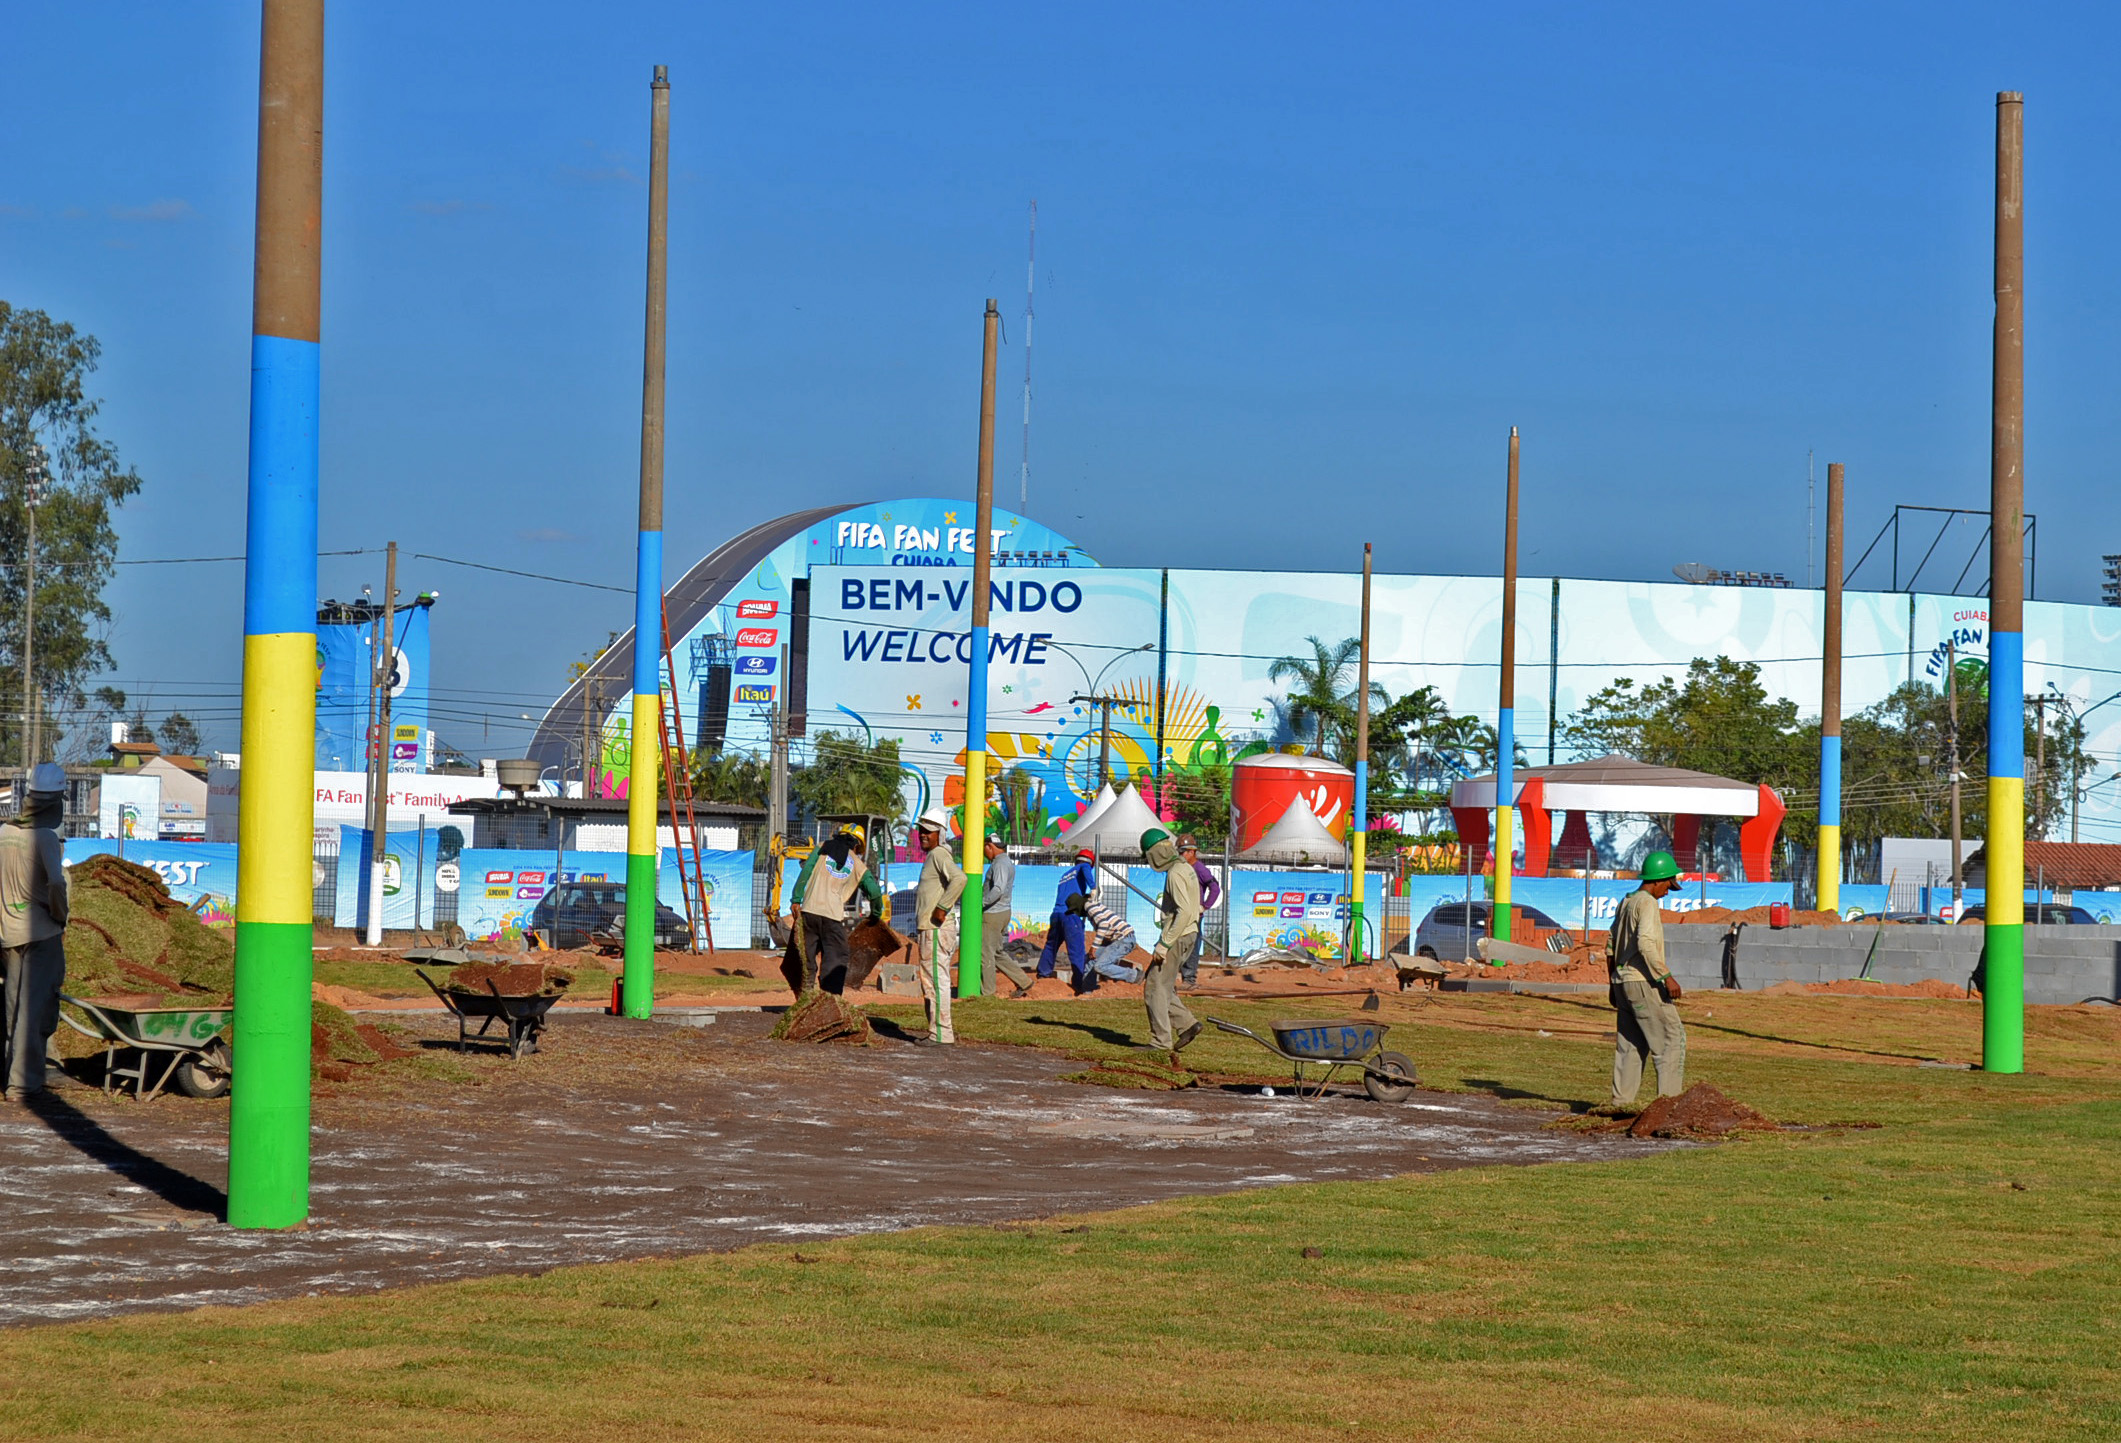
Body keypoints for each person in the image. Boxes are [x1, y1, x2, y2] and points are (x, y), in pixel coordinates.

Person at [2, 763, 71, 1101]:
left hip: (7, 935)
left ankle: (11, 1074)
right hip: (40, 934)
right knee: (34, 1009)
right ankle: (22, 1085)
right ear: (56, 801)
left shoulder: (4, 833)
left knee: (12, 1008)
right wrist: (60, 915)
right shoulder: (44, 837)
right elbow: (56, 883)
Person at [1607, 848, 1687, 1108]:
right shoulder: (1648, 903)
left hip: (1623, 983)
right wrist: (1667, 977)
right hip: (1643, 982)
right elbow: (1645, 944)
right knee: (1671, 1040)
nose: (1668, 891)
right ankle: (1667, 1108)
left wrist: (1612, 984)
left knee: (1631, 1045)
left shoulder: (1627, 901)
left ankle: (1621, 1104)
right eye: (1668, 884)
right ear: (1658, 880)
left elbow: (1610, 945)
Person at [781, 829, 884, 995]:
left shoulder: (822, 848)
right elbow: (875, 892)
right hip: (832, 918)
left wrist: (796, 899)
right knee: (836, 958)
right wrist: (876, 915)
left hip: (808, 912)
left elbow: (806, 871)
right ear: (857, 846)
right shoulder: (857, 864)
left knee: (805, 958)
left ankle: (804, 996)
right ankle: (830, 998)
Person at [1138, 827, 1202, 1052]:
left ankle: (1160, 1042)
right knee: (1163, 986)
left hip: (1177, 936)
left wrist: (1164, 944)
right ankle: (1187, 1024)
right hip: (1189, 933)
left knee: (1154, 988)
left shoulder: (1175, 873)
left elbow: (1183, 912)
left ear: (1155, 853)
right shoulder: (1186, 868)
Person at [911, 807, 964, 1044]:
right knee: (932, 980)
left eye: (928, 831)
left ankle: (941, 1034)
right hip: (931, 929)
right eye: (921, 830)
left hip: (936, 929)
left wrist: (942, 906)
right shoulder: (935, 855)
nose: (923, 834)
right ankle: (937, 1032)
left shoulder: (939, 854)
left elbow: (960, 878)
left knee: (936, 981)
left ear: (940, 834)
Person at [979, 834, 1033, 998]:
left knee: (986, 953)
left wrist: (980, 903)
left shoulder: (1000, 863)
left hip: (993, 913)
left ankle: (988, 992)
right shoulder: (1004, 861)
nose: (983, 853)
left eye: (984, 848)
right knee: (996, 952)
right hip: (1001, 912)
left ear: (989, 846)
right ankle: (1024, 981)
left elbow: (998, 889)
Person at [1037, 847, 1098, 990]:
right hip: (1070, 915)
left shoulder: (1065, 875)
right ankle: (1079, 982)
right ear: (1090, 863)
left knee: (1051, 945)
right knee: (1077, 949)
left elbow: (1069, 894)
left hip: (1056, 914)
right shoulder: (1084, 867)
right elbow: (1085, 868)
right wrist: (1093, 888)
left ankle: (1043, 974)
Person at [1067, 885, 1141, 986]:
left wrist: (1094, 947)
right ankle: (1087, 990)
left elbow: (1104, 924)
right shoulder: (1092, 906)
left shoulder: (1089, 907)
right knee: (1090, 960)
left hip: (1123, 939)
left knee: (1100, 966)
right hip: (1114, 939)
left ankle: (1134, 975)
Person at [1176, 834, 1221, 987]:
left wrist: (1205, 906)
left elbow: (1215, 888)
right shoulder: (1181, 867)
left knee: (1192, 946)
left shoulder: (1199, 869)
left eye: (1183, 852)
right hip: (1181, 913)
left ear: (1192, 852)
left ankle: (1189, 979)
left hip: (1194, 916)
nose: (1180, 855)